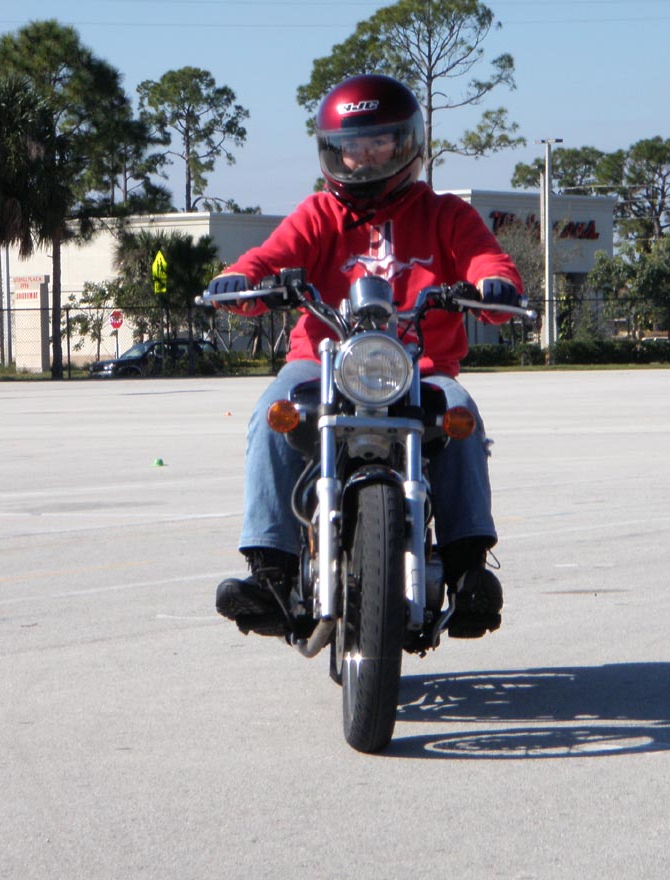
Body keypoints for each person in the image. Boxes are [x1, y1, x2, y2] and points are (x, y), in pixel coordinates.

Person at [205, 74, 523, 641]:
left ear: (408, 143)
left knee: (461, 417)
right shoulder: (318, 213)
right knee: (272, 413)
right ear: (333, 150)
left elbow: (486, 260)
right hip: (322, 363)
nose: (366, 155)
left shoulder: (447, 215)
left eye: (380, 142)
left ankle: (468, 568)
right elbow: (268, 257)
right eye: (353, 145)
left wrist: (494, 285)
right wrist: (241, 279)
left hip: (420, 369)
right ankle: (270, 569)